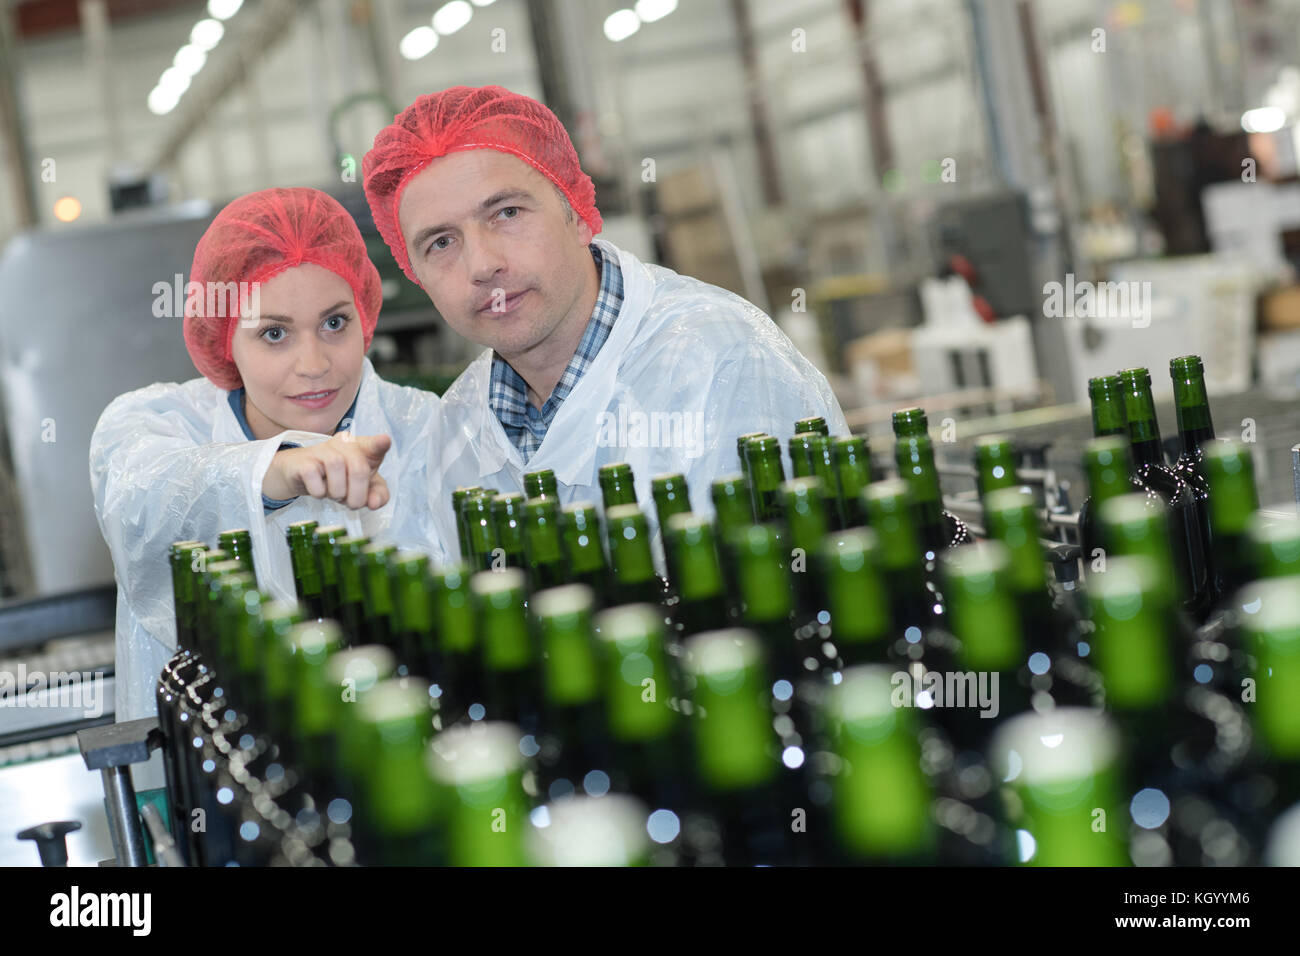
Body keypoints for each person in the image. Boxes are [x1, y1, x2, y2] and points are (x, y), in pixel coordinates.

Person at [362, 85, 848, 558]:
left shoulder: (722, 361)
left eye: (507, 212)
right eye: (440, 243)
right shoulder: (457, 427)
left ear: (577, 215)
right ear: (416, 275)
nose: (482, 264)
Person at [90, 187, 448, 723]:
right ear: (224, 340)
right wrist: (272, 470)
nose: (313, 363)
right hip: (215, 779)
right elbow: (141, 501)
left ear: (365, 317)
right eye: (274, 333)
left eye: (334, 323)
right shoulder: (162, 423)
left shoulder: (421, 427)